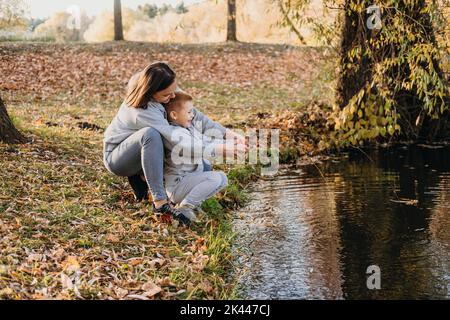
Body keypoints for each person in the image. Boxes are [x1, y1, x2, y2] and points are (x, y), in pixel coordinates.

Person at [102, 62, 246, 223]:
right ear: (150, 92)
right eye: (166, 95)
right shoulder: (141, 111)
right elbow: (179, 140)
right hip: (120, 159)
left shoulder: (165, 89)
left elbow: (194, 115)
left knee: (204, 166)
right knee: (151, 135)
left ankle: (158, 188)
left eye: (174, 90)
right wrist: (219, 149)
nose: (172, 96)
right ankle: (160, 203)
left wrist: (227, 134)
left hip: (147, 151)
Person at [163, 91, 229, 225]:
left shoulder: (189, 128)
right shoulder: (175, 133)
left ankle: (192, 204)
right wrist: (222, 149)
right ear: (174, 115)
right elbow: (196, 147)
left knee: (222, 178)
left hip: (188, 182)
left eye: (192, 112)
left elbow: (205, 140)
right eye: (188, 112)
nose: (192, 115)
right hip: (177, 185)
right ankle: (185, 207)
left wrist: (227, 144)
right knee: (215, 177)